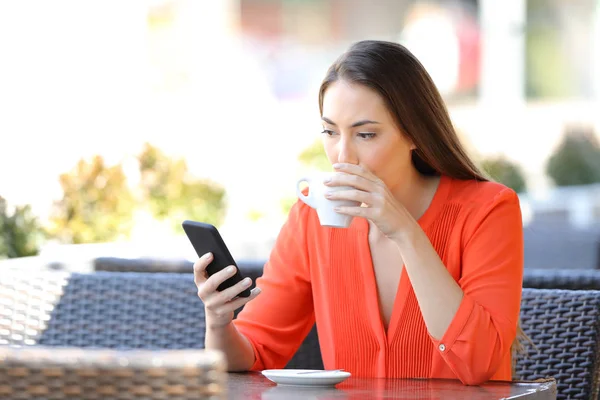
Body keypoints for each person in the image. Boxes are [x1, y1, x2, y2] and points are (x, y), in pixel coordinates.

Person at [193, 40, 524, 385]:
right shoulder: (312, 216)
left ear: (415, 134)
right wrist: (218, 323)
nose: (343, 155)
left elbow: (479, 364)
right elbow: (253, 352)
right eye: (330, 132)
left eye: (366, 134)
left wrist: (406, 233)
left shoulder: (488, 210)